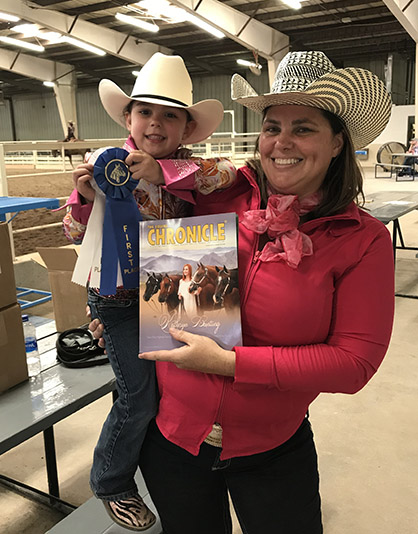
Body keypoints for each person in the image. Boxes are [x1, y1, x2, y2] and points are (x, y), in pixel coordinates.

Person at [132, 50, 396, 533]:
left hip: (273, 450)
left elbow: (354, 363)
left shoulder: (361, 240)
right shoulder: (217, 191)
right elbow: (148, 195)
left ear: (338, 142)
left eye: (304, 127)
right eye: (272, 126)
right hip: (171, 440)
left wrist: (230, 364)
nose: (282, 142)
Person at [63, 52, 236, 531]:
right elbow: (74, 235)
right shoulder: (104, 166)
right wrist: (82, 202)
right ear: (128, 117)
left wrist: (164, 174)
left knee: (180, 387)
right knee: (137, 396)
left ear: (185, 128)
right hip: (119, 301)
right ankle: (112, 481)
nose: (155, 124)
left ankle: (180, 474)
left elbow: (227, 173)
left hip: (169, 291)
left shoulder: (195, 171)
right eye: (145, 112)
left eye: (169, 115)